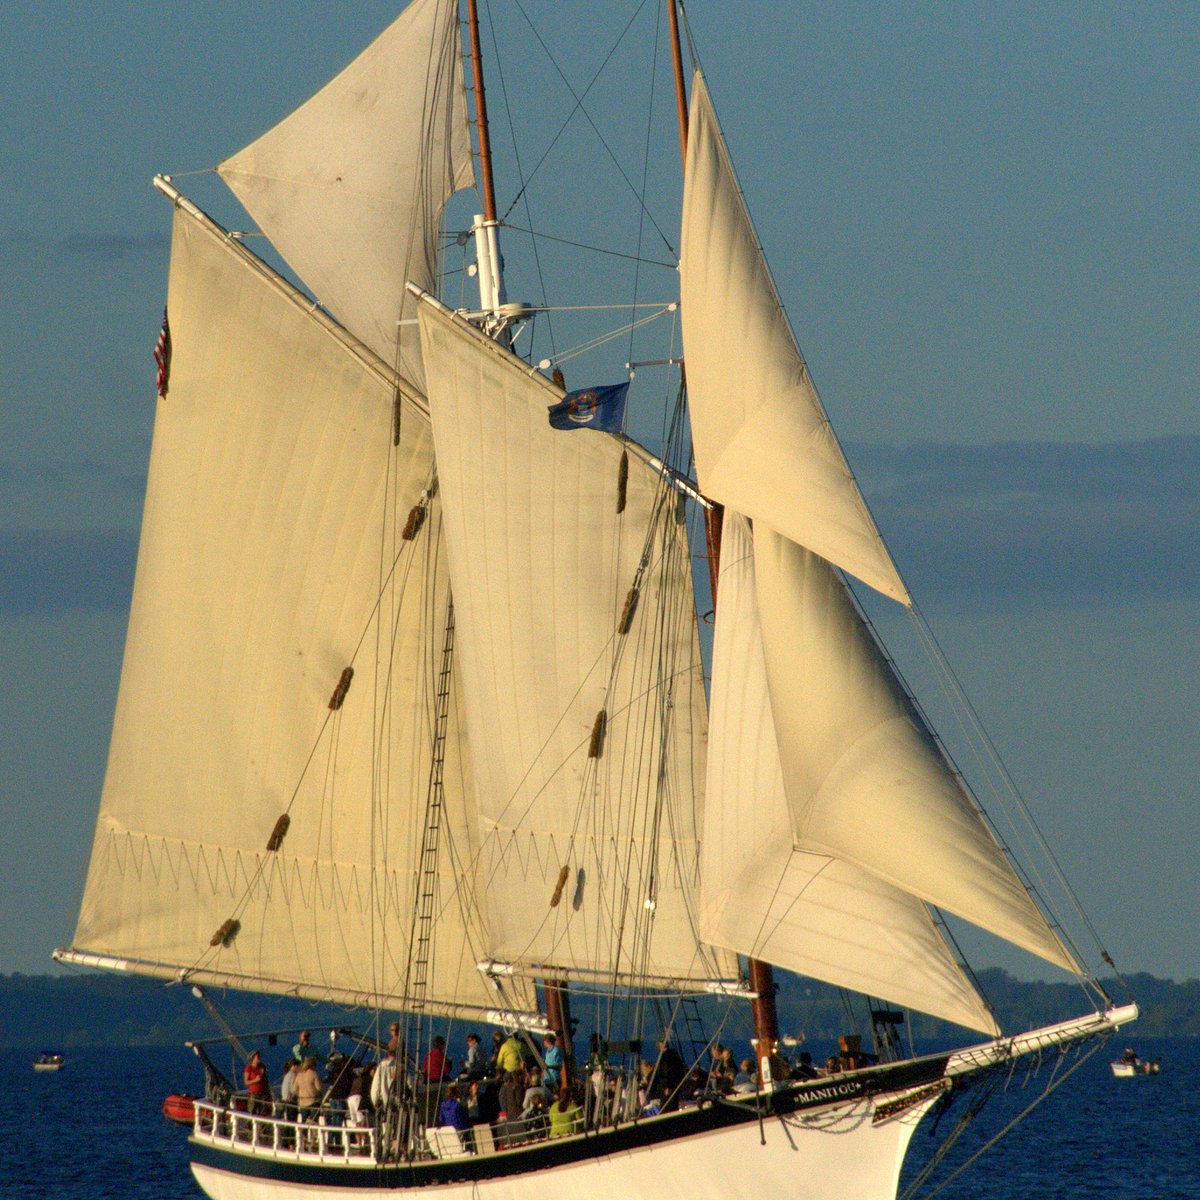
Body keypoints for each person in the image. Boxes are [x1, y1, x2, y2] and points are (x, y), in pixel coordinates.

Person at [244, 1050, 270, 1115]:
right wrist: (255, 1080)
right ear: (253, 1058)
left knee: (263, 1110)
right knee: (252, 1110)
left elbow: (265, 1079)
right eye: (257, 1057)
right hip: (254, 1093)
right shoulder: (249, 1068)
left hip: (263, 1092)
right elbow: (246, 1082)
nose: (259, 1058)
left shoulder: (262, 1066)